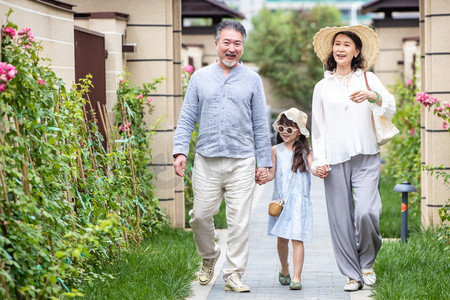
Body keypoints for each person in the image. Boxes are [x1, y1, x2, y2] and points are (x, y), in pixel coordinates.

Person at [172, 20, 272, 293]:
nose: (231, 48)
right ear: (216, 44)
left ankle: (233, 274)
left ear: (243, 46)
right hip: (207, 160)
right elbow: (187, 117)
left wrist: (264, 162)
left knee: (239, 223)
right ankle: (209, 258)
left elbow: (260, 124)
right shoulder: (200, 78)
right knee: (200, 217)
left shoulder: (252, 80)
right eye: (226, 42)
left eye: (237, 43)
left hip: (242, 161)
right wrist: (180, 151)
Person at [310, 25, 396, 291]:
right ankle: (351, 274)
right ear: (331, 50)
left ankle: (367, 262)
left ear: (357, 50)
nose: (341, 48)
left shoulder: (368, 79)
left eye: (347, 44)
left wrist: (372, 96)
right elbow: (318, 128)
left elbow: (390, 107)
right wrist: (318, 162)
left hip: (367, 156)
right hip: (334, 160)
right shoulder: (322, 86)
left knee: (367, 212)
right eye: (337, 43)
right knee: (340, 220)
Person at [258, 108, 323, 290]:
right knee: (282, 240)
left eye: (289, 129)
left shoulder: (305, 151)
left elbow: (313, 168)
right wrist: (263, 176)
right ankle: (285, 267)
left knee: (297, 239)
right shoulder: (275, 150)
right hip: (281, 202)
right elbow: (271, 174)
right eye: (281, 129)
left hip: (299, 202)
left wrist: (319, 169)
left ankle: (296, 276)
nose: (284, 133)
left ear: (299, 131)